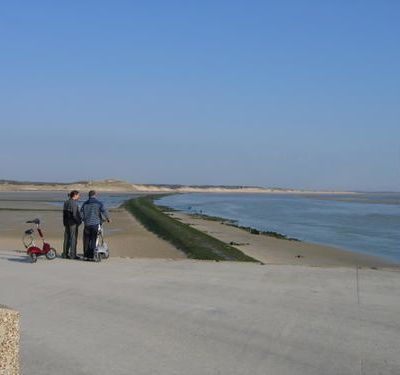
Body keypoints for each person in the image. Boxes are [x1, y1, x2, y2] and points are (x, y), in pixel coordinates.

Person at [80, 190, 110, 259]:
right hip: (95, 224)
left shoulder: (85, 203)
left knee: (86, 240)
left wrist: (82, 219)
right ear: (95, 195)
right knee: (94, 239)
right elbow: (104, 211)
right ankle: (92, 254)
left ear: (89, 195)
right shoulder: (99, 203)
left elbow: (81, 213)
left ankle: (86, 254)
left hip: (87, 224)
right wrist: (108, 218)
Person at [62, 190, 82, 259]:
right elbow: (74, 215)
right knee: (73, 239)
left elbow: (64, 214)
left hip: (66, 222)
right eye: (78, 195)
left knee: (66, 238)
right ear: (75, 195)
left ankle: (65, 254)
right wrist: (79, 222)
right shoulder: (74, 203)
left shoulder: (66, 202)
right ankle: (72, 255)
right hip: (72, 223)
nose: (79, 196)